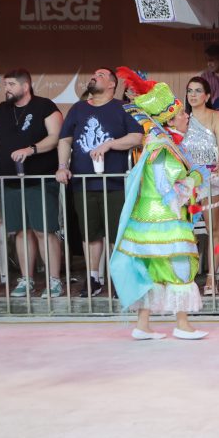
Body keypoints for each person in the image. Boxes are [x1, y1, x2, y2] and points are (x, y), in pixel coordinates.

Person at [110, 69, 207, 340]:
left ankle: (143, 326)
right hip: (165, 219)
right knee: (180, 268)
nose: (186, 115)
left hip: (148, 220)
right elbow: (171, 188)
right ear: (170, 119)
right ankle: (183, 324)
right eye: (181, 114)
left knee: (152, 271)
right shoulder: (163, 148)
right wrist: (195, 178)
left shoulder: (161, 144)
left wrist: (194, 176)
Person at [0, 69, 64, 298]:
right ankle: (27, 280)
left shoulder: (45, 106)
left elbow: (56, 137)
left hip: (39, 179)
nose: (7, 89)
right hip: (11, 181)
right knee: (22, 232)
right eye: (5, 85)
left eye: (11, 84)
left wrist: (31, 149)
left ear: (26, 86)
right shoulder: (2, 111)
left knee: (44, 231)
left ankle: (54, 281)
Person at [55, 67, 144, 297]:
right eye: (93, 74)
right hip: (83, 182)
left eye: (101, 74)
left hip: (115, 182)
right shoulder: (78, 108)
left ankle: (119, 278)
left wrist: (109, 144)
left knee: (117, 234)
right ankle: (94, 278)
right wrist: (63, 166)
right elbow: (65, 140)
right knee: (90, 233)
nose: (94, 76)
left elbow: (137, 137)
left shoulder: (122, 108)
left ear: (113, 84)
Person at [182, 76, 219, 295]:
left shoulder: (216, 116)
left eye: (198, 90)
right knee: (184, 230)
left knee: (214, 228)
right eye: (190, 90)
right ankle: (186, 278)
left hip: (211, 176)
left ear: (207, 95)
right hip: (187, 180)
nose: (193, 94)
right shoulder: (181, 118)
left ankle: (211, 279)